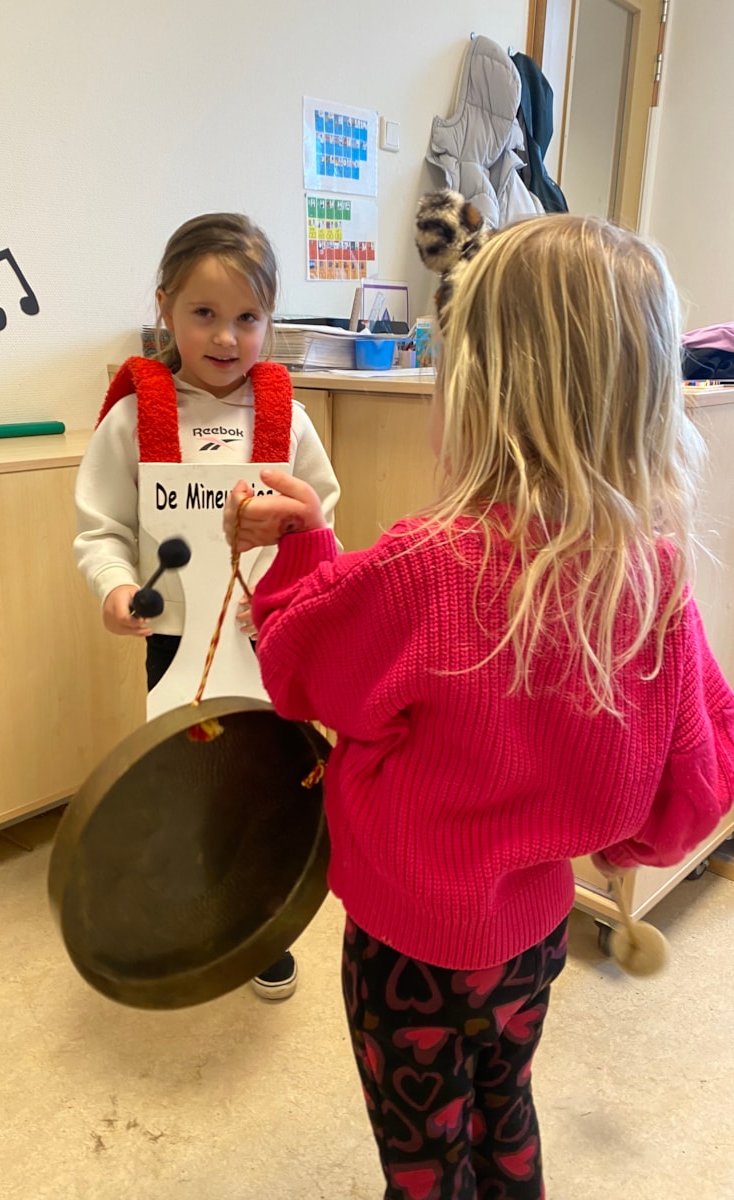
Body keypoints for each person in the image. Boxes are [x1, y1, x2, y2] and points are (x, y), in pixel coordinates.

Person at [222, 214, 734, 1197]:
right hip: (534, 937)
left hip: (406, 949)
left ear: (478, 389)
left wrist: (304, 544)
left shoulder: (425, 567)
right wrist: (626, 844)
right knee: (506, 1102)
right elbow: (699, 765)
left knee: (424, 1153)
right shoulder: (656, 579)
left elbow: (299, 665)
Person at [73, 212, 340, 1002]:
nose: (227, 337)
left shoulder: (289, 420)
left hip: (271, 642)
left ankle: (260, 921)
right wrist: (115, 588)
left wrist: (301, 582)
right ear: (164, 308)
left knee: (268, 782)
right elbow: (102, 528)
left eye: (248, 317)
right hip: (176, 644)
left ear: (270, 319)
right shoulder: (133, 420)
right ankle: (196, 906)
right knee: (188, 781)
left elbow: (322, 519)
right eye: (204, 313)